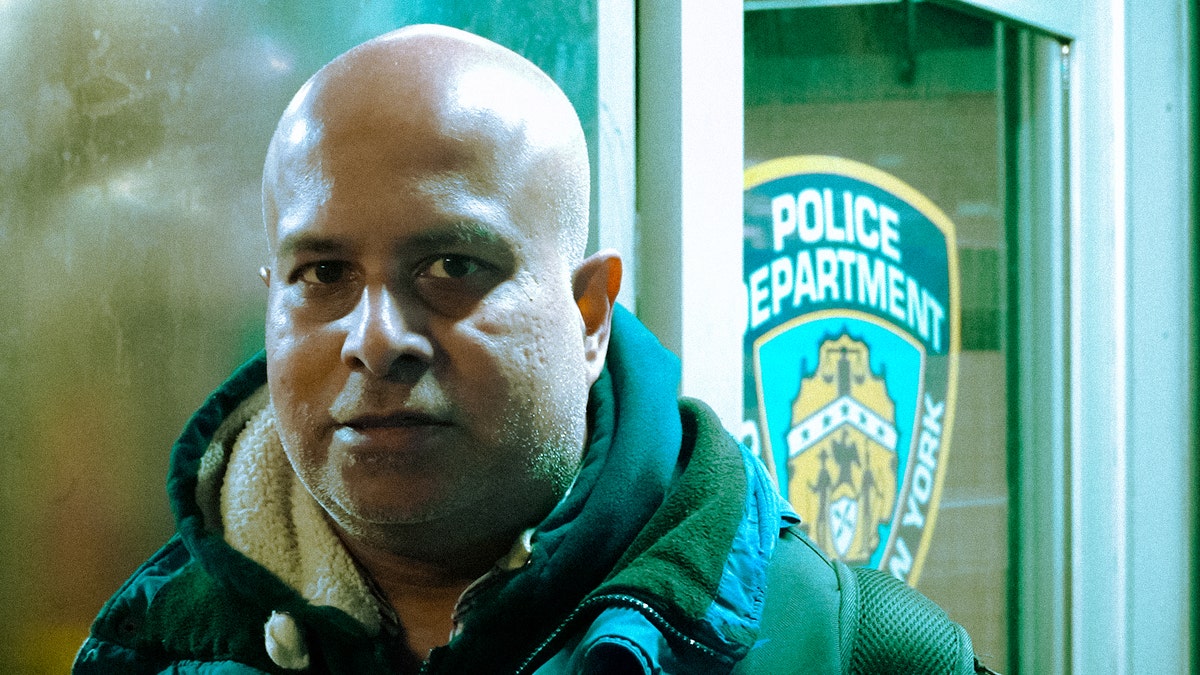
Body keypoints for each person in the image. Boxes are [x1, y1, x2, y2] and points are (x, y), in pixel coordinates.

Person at [74, 24, 993, 674]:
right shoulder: (150, 647)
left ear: (589, 314)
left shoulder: (850, 649)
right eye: (322, 274)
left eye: (452, 265)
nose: (377, 339)